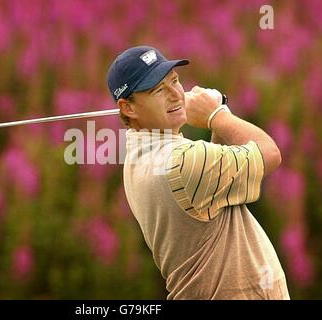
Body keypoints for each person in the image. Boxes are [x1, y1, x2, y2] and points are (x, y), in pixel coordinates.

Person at [106, 45, 290, 300]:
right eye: (158, 90)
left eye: (175, 81)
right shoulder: (181, 162)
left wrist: (215, 117)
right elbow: (270, 154)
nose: (175, 94)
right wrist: (217, 114)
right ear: (128, 108)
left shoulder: (137, 159)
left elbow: (212, 186)